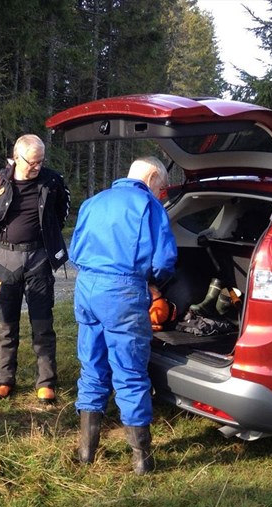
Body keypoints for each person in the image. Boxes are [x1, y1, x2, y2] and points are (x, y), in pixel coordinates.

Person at [69, 156, 177, 474]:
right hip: (122, 292)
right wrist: (153, 285)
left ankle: (86, 452)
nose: (162, 193)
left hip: (87, 288)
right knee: (130, 373)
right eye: (163, 187)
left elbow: (74, 250)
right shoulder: (149, 206)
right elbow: (164, 261)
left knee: (92, 367)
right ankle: (142, 460)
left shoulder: (93, 202)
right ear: (153, 176)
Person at [0, 134, 70, 403]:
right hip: (5, 259)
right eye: (32, 162)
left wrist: (49, 235)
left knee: (43, 323)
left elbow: (62, 210)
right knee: (6, 324)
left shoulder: (52, 181)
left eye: (41, 161)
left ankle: (46, 381)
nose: (37, 167)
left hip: (39, 258)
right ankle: (4, 379)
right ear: (16, 157)